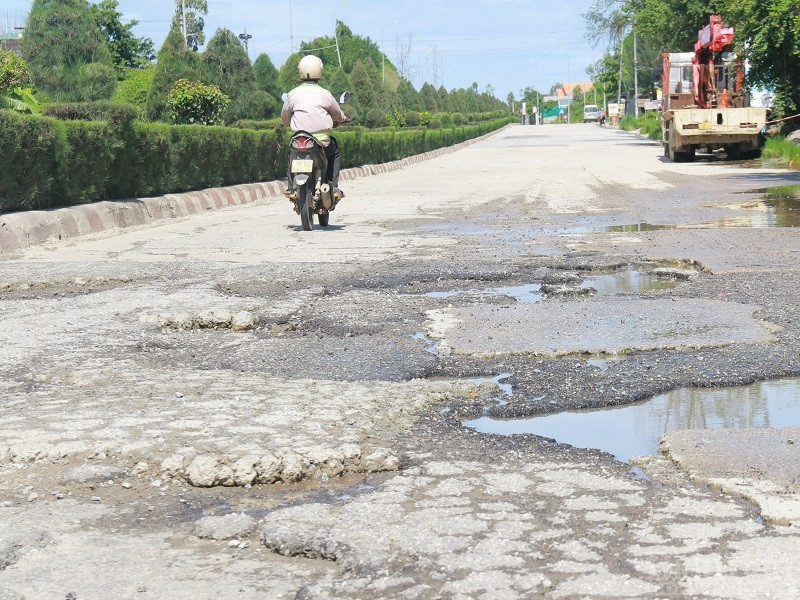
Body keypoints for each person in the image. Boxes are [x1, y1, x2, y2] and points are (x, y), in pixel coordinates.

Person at [281, 55, 349, 198]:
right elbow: (338, 115)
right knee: (334, 154)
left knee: (290, 154)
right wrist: (343, 119)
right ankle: (334, 187)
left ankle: (290, 186)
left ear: (300, 71)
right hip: (321, 142)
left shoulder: (292, 94)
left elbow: (285, 119)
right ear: (320, 71)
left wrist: (288, 122)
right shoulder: (325, 94)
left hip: (298, 140)